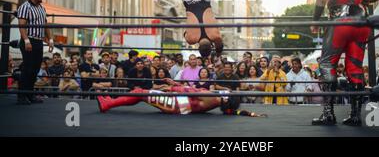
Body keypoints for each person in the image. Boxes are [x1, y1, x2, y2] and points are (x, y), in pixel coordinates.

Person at [311, 0, 379, 126]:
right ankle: (356, 115)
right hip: (362, 22)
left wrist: (315, 19)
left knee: (326, 64)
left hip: (340, 22)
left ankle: (328, 114)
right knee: (355, 68)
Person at [97, 79, 266, 117]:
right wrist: (251, 114)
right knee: (142, 93)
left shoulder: (213, 97)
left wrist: (172, 87)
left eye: (230, 94)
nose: (228, 91)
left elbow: (190, 91)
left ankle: (108, 104)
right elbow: (233, 112)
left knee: (140, 92)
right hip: (180, 104)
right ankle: (109, 103)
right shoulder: (221, 104)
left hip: (176, 104)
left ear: (227, 98)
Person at [16, 0, 54, 104]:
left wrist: (50, 39)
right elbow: (22, 25)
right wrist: (26, 40)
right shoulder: (24, 7)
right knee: (27, 68)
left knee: (35, 69)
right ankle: (21, 96)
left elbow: (45, 24)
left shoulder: (42, 8)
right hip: (29, 40)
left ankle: (30, 94)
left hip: (38, 41)